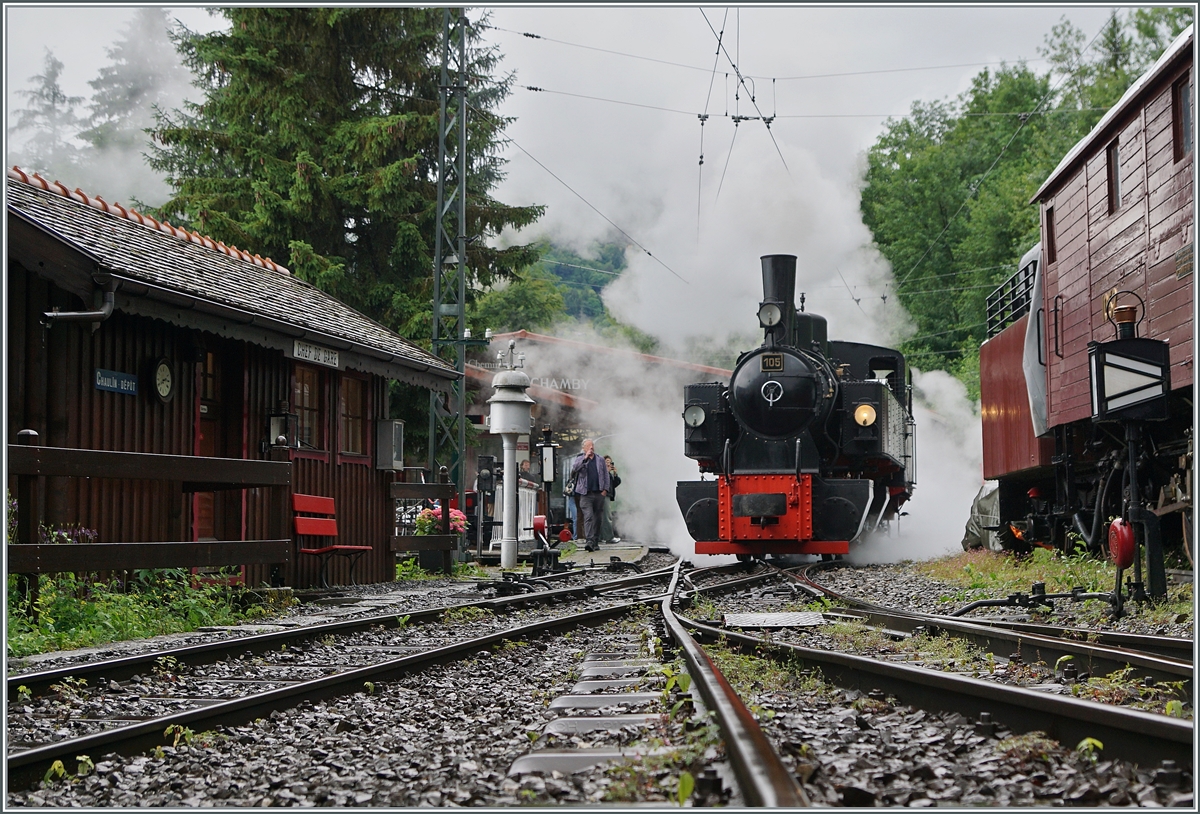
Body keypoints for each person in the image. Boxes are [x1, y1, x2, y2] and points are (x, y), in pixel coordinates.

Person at [570, 438, 611, 552]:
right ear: (584, 448)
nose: (591, 448)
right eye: (589, 446)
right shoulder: (580, 458)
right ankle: (589, 541)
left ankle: (596, 540)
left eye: (592, 446)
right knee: (588, 517)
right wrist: (585, 457)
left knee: (598, 518)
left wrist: (605, 490)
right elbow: (575, 468)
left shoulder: (600, 459)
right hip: (585, 494)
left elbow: (606, 475)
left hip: (599, 493)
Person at [599, 455, 622, 544]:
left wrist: (615, 474)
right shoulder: (602, 472)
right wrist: (607, 472)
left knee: (602, 517)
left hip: (608, 495)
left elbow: (614, 484)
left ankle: (600, 537)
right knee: (606, 517)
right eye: (606, 461)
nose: (608, 463)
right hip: (604, 495)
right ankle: (609, 537)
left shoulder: (608, 474)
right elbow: (604, 484)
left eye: (610, 462)